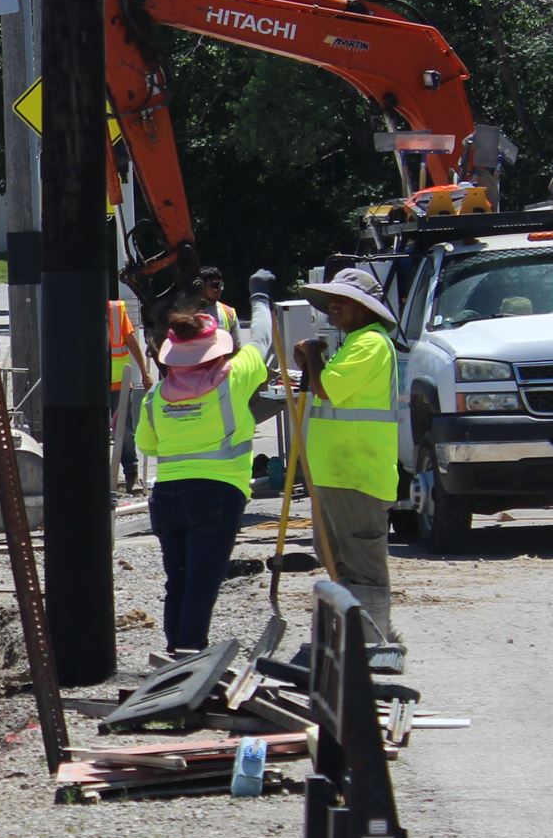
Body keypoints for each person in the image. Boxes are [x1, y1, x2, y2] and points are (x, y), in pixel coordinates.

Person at [135, 305, 269, 653]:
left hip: (168, 497)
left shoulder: (155, 397)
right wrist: (261, 299)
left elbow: (146, 445)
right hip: (219, 494)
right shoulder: (234, 377)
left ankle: (175, 650)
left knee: (178, 579)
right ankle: (190, 651)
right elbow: (263, 340)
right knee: (203, 581)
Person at [294, 268, 401, 644]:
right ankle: (356, 634)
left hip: (358, 470)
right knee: (334, 555)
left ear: (365, 308)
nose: (334, 307)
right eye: (333, 301)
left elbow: (328, 389)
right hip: (337, 470)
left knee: (362, 561)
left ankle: (373, 643)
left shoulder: (370, 342)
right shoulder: (354, 342)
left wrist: (311, 355)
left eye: (344, 301)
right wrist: (311, 360)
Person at [108, 296, 150, 492]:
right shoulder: (77, 309)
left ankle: (131, 474)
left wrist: (144, 372)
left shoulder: (116, 312)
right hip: (91, 387)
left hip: (119, 384)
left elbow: (132, 342)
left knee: (124, 432)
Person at [198, 265, 243, 341]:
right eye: (214, 286)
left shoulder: (229, 312)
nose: (219, 289)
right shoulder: (189, 313)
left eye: (221, 285)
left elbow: (237, 347)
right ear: (202, 286)